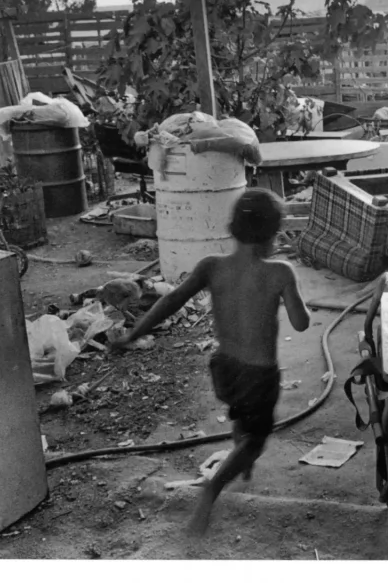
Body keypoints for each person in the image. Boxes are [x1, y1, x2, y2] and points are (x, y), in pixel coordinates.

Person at [110, 187, 311, 535]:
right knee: (256, 438)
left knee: (240, 415)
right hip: (258, 375)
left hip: (224, 370)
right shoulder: (280, 272)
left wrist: (133, 333)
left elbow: (171, 300)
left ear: (232, 228)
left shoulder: (211, 267)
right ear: (274, 235)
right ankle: (213, 490)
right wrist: (292, 292)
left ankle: (241, 460)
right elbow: (301, 322)